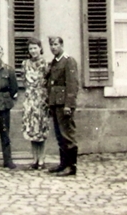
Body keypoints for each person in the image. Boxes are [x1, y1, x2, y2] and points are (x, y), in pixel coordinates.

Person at [45, 36, 79, 177]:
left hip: (64, 104)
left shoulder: (68, 61)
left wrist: (68, 105)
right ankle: (63, 164)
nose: (53, 47)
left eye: (56, 44)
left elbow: (72, 85)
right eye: (51, 45)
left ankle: (71, 167)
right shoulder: (54, 61)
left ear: (62, 45)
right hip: (55, 103)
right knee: (60, 136)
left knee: (67, 135)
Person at [21, 37, 50, 170]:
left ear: (40, 48)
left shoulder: (45, 63)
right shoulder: (25, 63)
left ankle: (42, 160)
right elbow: (24, 81)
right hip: (30, 99)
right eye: (31, 48)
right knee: (32, 130)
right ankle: (34, 159)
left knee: (41, 130)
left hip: (41, 99)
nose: (33, 51)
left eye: (35, 48)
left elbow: (48, 82)